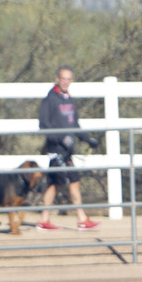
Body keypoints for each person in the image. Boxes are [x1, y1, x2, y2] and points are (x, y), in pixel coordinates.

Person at [37, 66, 101, 232]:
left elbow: (74, 124)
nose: (66, 81)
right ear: (57, 79)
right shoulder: (50, 99)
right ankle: (45, 220)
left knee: (72, 182)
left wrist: (87, 139)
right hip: (56, 150)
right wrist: (60, 138)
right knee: (56, 184)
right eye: (63, 78)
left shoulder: (69, 99)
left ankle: (80, 219)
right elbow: (44, 125)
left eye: (69, 79)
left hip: (68, 152)